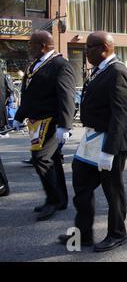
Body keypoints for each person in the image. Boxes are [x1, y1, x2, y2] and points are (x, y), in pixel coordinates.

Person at [58, 31, 127, 252]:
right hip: (92, 138)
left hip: (111, 140)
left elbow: (120, 114)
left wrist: (109, 151)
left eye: (89, 47)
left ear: (104, 48)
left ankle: (118, 233)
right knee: (81, 184)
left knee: (113, 189)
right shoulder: (101, 70)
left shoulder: (117, 71)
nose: (85, 51)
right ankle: (83, 233)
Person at [12, 30, 75, 221]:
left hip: (51, 121)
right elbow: (28, 94)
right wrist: (19, 115)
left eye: (31, 44)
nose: (29, 48)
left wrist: (65, 125)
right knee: (52, 160)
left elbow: (66, 96)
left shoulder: (60, 65)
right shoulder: (34, 65)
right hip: (35, 121)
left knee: (40, 159)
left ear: (43, 46)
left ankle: (53, 200)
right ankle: (61, 199)